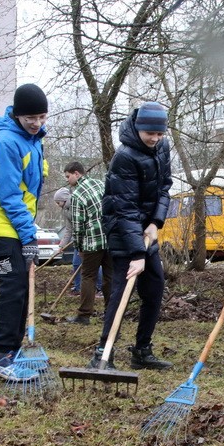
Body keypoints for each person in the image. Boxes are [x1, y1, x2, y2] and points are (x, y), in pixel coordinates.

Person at [0, 83, 49, 379]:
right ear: (17, 115)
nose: (36, 123)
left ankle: (14, 352)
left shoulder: (34, 141)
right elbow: (8, 195)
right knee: (13, 285)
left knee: (21, 284)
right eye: (30, 117)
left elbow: (29, 191)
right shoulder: (6, 142)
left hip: (16, 223)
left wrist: (28, 228)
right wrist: (28, 234)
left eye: (42, 116)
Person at [94, 102, 172, 370]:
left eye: (159, 134)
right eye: (150, 133)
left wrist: (155, 222)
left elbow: (165, 187)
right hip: (123, 230)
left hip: (147, 231)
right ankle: (102, 353)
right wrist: (137, 253)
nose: (155, 139)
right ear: (139, 127)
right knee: (121, 292)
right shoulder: (124, 157)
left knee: (155, 287)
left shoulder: (162, 148)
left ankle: (142, 350)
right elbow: (124, 207)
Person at [65, 162, 112, 326]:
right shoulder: (101, 184)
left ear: (77, 173)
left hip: (92, 242)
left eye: (68, 176)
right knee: (109, 277)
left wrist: (78, 248)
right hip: (110, 237)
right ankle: (111, 313)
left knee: (88, 276)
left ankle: (84, 315)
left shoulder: (77, 195)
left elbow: (78, 225)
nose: (67, 180)